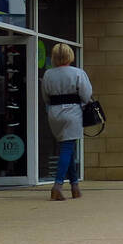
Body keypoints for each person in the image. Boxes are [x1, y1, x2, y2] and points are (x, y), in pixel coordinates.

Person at [40, 42, 92, 201]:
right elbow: (87, 94)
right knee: (67, 147)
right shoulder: (78, 73)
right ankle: (58, 185)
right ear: (70, 56)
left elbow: (45, 96)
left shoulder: (48, 74)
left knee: (68, 149)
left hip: (54, 113)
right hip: (72, 112)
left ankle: (75, 186)